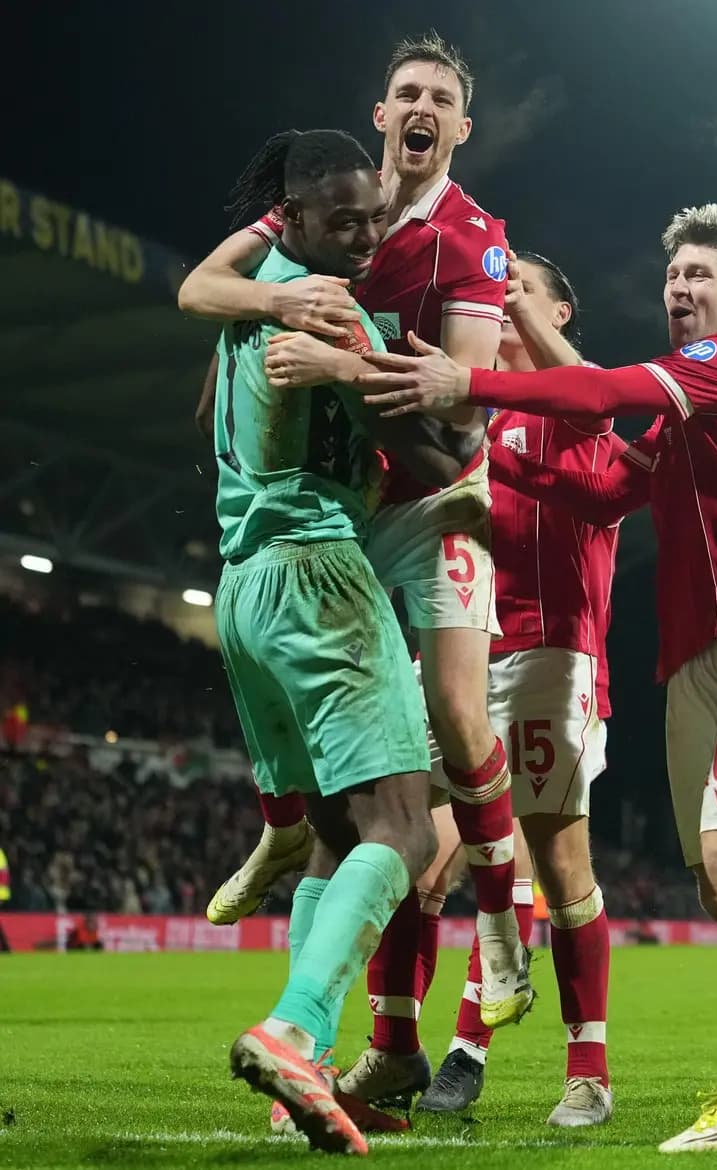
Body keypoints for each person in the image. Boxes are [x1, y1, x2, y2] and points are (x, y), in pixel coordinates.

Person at [356, 203, 717, 1152]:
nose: (681, 289)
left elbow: (601, 396)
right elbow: (608, 488)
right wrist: (502, 457)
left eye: (701, 276)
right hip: (696, 654)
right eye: (673, 275)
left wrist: (467, 378)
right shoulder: (693, 402)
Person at [178, 32, 532, 1101]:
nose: (420, 107)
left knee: (439, 738)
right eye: (405, 92)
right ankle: (321, 1027)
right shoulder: (326, 215)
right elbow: (203, 289)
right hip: (332, 536)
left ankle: (493, 933)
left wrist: (327, 347)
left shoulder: (467, 242)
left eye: (442, 97)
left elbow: (461, 410)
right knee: (388, 819)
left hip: (363, 527)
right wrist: (313, 324)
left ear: (461, 127)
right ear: (381, 114)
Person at [207, 128, 442, 1156]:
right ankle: (295, 1031)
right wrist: (438, 420)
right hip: (318, 573)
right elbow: (430, 445)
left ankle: (290, 1081)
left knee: (340, 836)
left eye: (373, 215)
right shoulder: (332, 304)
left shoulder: (247, 297)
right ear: (294, 218)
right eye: (342, 217)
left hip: (241, 585)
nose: (365, 232)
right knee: (407, 827)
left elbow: (210, 395)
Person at [416, 252, 651, 1126]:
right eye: (494, 283)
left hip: (553, 656)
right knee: (428, 860)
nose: (502, 294)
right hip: (464, 658)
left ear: (560, 307)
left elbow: (602, 394)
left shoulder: (567, 403)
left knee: (560, 868)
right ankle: (446, 1054)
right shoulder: (467, 416)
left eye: (522, 285)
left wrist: (526, 317)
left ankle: (587, 1071)